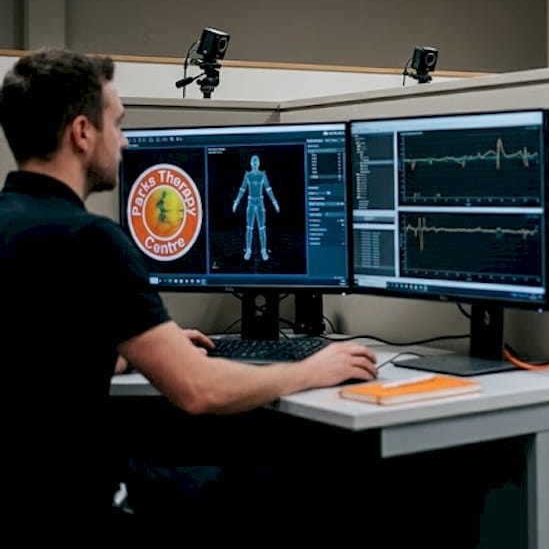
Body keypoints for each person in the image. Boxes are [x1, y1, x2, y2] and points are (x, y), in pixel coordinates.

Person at [0, 48, 378, 531]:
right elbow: (199, 390)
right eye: (117, 124)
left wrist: (141, 350)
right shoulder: (91, 240)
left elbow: (35, 356)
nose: (125, 141)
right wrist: (309, 370)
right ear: (82, 133)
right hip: (83, 500)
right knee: (281, 483)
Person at [232, 153, 279, 260]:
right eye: (253, 161)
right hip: (251, 202)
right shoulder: (247, 176)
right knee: (249, 227)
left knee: (262, 228)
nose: (254, 163)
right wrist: (236, 202)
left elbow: (268, 189)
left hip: (260, 202)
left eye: (256, 161)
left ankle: (263, 250)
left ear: (259, 163)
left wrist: (274, 202)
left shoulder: (262, 175)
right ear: (250, 163)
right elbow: (242, 189)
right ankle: (248, 250)